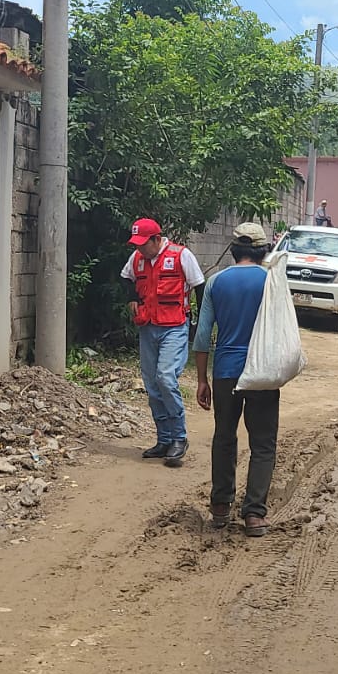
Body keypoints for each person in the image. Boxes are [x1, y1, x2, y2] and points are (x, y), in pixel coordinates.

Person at [192, 223, 279, 537]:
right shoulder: (271, 282)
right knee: (263, 444)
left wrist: (202, 380)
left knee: (225, 437)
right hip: (263, 373)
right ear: (262, 249)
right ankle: (254, 514)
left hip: (226, 371)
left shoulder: (216, 282)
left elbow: (203, 337)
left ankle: (220, 507)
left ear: (234, 248)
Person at [122, 218, 206, 468]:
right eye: (136, 244)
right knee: (151, 383)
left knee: (165, 377)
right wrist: (133, 299)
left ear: (157, 239)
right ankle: (164, 439)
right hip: (147, 327)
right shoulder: (136, 259)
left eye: (143, 244)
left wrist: (200, 325)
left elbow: (200, 286)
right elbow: (126, 278)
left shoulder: (181, 255)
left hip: (175, 326)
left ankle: (179, 438)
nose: (139, 249)